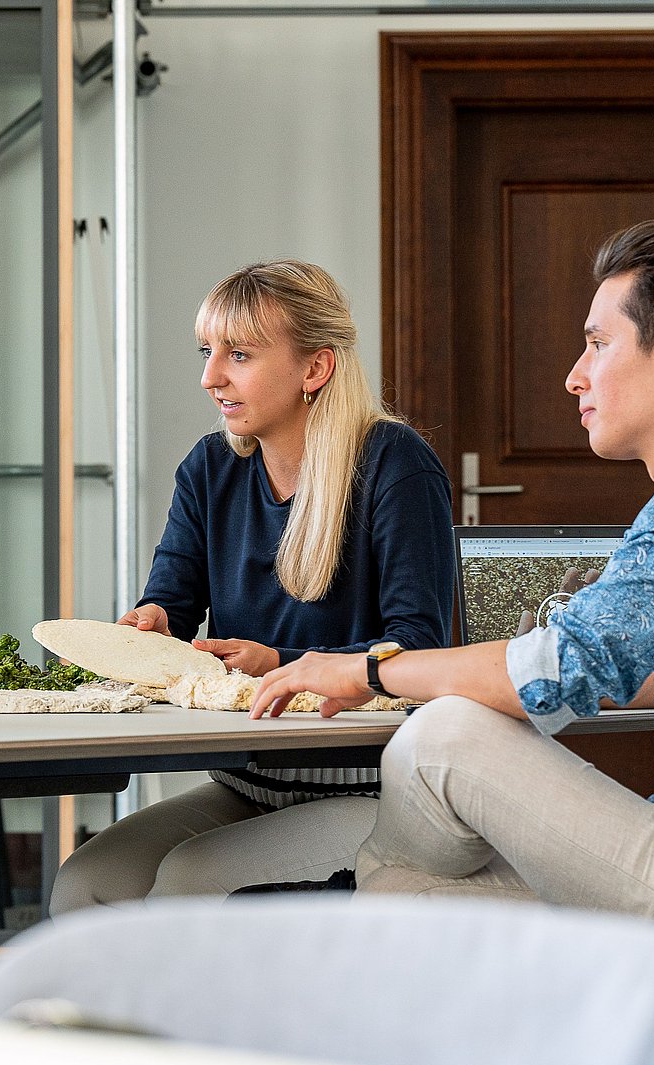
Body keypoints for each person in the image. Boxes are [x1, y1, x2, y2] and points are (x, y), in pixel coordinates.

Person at [248, 219, 654, 1011]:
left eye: (597, 344)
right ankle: (364, 901)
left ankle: (351, 896)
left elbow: (560, 668)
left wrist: (370, 669)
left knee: (446, 737)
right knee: (412, 908)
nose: (574, 376)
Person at [49, 260, 455, 913]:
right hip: (250, 783)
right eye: (209, 352)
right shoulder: (209, 468)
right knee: (84, 888)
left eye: (238, 354)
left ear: (314, 369)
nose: (211, 377)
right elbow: (171, 607)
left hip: (374, 793)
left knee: (186, 885)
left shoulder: (394, 463)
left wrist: (282, 665)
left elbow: (417, 649)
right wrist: (152, 624)